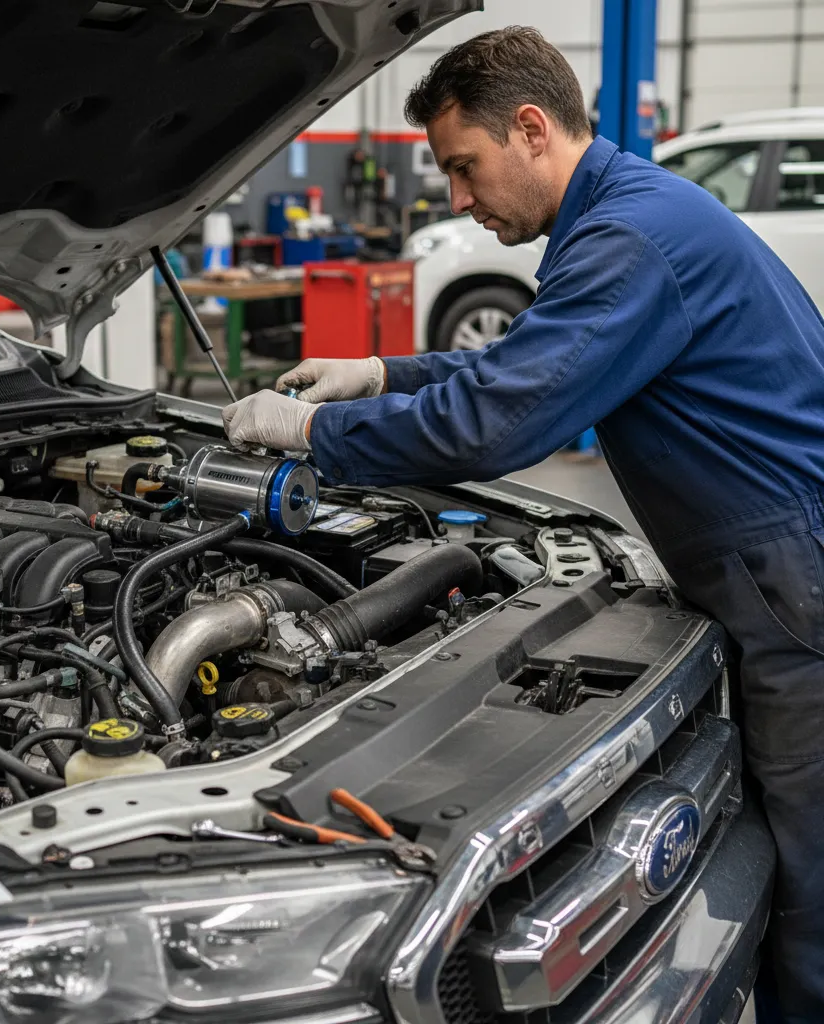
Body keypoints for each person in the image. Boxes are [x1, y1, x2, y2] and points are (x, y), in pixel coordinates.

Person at [223, 25, 824, 1023]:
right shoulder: (629, 212)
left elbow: (501, 421)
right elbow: (528, 364)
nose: (459, 198)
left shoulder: (628, 239)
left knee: (812, 879)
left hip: (794, 572)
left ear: (532, 129)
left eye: (464, 166)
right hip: (779, 558)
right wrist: (379, 373)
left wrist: (316, 432)